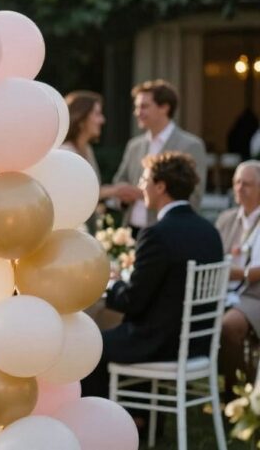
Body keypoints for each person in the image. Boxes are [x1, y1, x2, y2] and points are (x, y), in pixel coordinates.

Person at [82, 151, 223, 401]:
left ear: (160, 186)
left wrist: (112, 283)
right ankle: (141, 419)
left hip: (160, 342)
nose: (140, 187)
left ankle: (107, 422)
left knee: (89, 345)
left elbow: (133, 302)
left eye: (144, 180)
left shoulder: (156, 235)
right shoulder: (209, 231)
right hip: (197, 342)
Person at [112, 80, 207, 235]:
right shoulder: (134, 145)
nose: (137, 112)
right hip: (131, 232)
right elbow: (119, 181)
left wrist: (141, 194)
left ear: (164, 108)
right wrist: (123, 197)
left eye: (144, 106)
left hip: (169, 233)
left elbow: (194, 196)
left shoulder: (191, 145)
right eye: (136, 107)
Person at [216, 160, 260, 399]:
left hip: (255, 293)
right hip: (222, 289)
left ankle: (235, 393)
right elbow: (211, 253)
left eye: (248, 184)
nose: (240, 188)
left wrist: (239, 273)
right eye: (237, 182)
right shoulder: (226, 218)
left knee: (229, 326)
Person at [60, 91, 134, 205]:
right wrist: (115, 190)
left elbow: (92, 189)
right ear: (81, 118)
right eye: (97, 114)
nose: (102, 120)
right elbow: (76, 194)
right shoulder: (65, 152)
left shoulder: (87, 149)